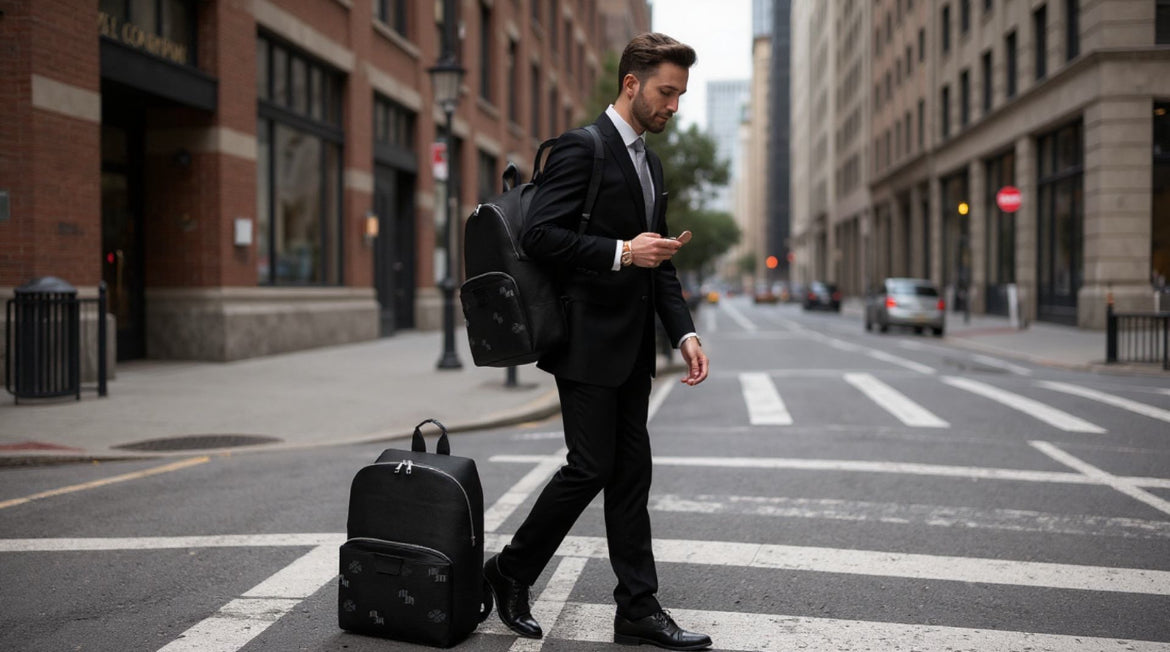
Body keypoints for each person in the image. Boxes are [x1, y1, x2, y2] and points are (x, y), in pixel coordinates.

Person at [482, 32, 711, 651]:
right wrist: (622, 252)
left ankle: (637, 608)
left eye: (680, 95)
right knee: (590, 467)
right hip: (584, 339)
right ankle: (511, 570)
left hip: (633, 347)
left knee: (632, 473)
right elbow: (540, 236)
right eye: (666, 92)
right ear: (631, 84)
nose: (674, 106)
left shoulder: (651, 165)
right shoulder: (581, 148)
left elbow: (659, 261)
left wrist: (683, 331)